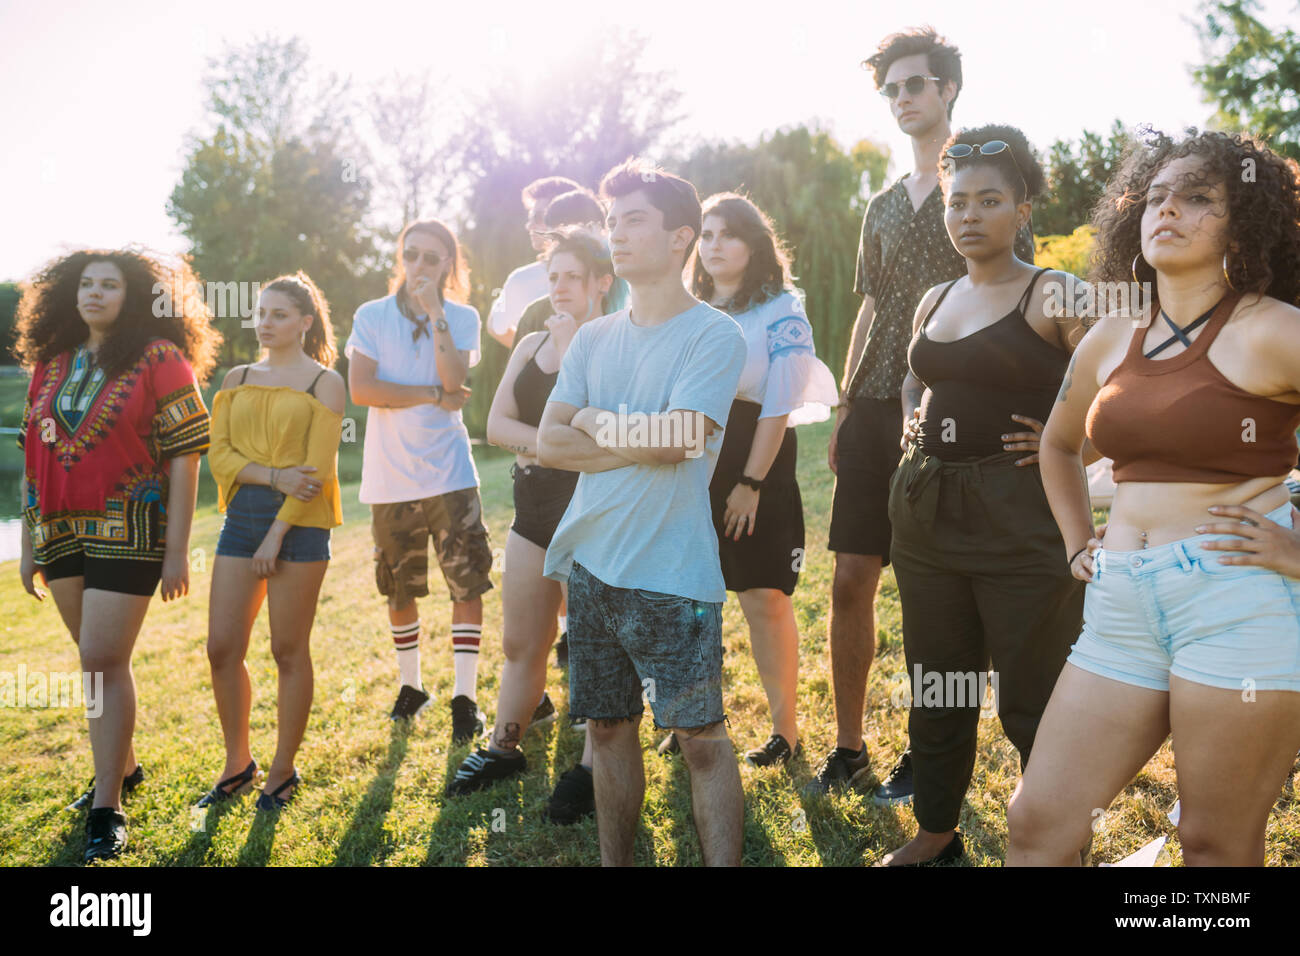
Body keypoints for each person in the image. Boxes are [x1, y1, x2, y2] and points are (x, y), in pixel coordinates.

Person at [1007, 128, 1300, 867]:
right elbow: (1058, 443)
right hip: (1120, 608)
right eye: (1157, 196)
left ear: (1246, 222)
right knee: (1036, 828)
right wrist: (1078, 541)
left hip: (1238, 602)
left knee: (1213, 845)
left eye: (1199, 198)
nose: (1168, 210)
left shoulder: (1275, 330)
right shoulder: (1110, 335)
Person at [814, 26, 1035, 801]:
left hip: (955, 414)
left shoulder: (984, 188)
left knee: (933, 595)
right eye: (892, 89)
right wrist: (844, 404)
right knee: (849, 579)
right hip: (875, 406)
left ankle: (929, 755)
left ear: (947, 90)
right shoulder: (879, 205)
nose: (903, 98)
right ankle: (847, 747)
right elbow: (871, 304)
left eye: (916, 84)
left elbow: (1021, 298)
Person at [881, 126, 1089, 865]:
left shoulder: (1056, 291)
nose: (969, 215)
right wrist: (915, 415)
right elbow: (917, 375)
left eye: (990, 200)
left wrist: (1070, 442)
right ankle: (937, 833)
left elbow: (1131, 388)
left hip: (1019, 517)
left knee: (1032, 699)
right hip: (925, 513)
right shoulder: (935, 296)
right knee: (938, 683)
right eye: (957, 201)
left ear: (1022, 208)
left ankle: (1055, 841)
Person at [537, 157, 747, 866]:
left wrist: (593, 420)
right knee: (606, 731)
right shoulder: (593, 338)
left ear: (681, 237)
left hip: (673, 573)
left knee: (702, 741)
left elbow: (682, 438)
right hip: (593, 568)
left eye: (633, 220)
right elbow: (547, 441)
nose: (616, 234)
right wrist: (634, 433)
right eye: (610, 220)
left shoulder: (714, 334)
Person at [14, 249, 219, 862]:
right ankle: (123, 767)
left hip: (132, 528)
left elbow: (186, 457)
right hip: (58, 530)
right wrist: (28, 545)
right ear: (68, 295)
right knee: (93, 661)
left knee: (103, 656)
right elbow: (32, 458)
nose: (96, 293)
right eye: (86, 284)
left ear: (132, 294)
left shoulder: (160, 358)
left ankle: (108, 806)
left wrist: (177, 548)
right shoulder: (51, 363)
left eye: (109, 284)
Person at [656, 193, 837, 767]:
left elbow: (779, 404)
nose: (712, 246)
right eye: (705, 235)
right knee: (690, 598)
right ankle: (693, 718)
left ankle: (784, 732)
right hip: (690, 460)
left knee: (763, 596)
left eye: (726, 234)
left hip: (754, 457)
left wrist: (751, 483)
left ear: (754, 244)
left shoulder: (781, 309)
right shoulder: (686, 308)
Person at [447, 227, 618, 825]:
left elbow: (605, 432)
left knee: (598, 650)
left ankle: (596, 767)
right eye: (553, 277)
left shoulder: (616, 343)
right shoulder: (527, 344)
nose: (560, 288)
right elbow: (495, 426)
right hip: (533, 516)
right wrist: (552, 446)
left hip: (596, 515)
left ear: (603, 282)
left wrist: (542, 443)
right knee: (522, 642)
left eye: (573, 276)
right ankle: (504, 747)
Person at [200, 272, 345, 812]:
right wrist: (272, 476)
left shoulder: (324, 383)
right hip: (242, 518)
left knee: (287, 650)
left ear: (305, 323)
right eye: (261, 313)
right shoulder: (236, 377)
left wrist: (278, 532)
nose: (265, 322)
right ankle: (238, 763)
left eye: (279, 314)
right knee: (221, 648)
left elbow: (319, 474)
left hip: (301, 526)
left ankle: (283, 770)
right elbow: (219, 456)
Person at [346, 219, 493, 742]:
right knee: (398, 586)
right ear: (400, 258)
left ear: (449, 264)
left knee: (466, 581)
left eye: (433, 257)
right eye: (413, 255)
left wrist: (436, 316)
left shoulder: (463, 317)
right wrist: (430, 395)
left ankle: (465, 697)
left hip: (449, 473)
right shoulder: (371, 316)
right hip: (390, 479)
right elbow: (363, 390)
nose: (421, 266)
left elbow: (455, 379)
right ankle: (412, 686)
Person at [487, 176, 583, 349]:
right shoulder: (521, 279)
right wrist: (537, 352)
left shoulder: (522, 279)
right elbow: (496, 326)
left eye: (537, 217)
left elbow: (495, 326)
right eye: (530, 217)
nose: (529, 225)